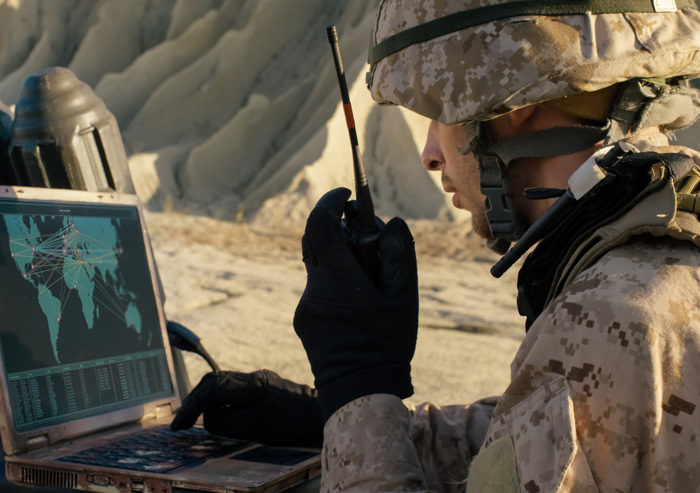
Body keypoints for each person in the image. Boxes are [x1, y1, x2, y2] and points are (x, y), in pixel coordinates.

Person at [174, 1, 700, 491]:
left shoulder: (615, 315)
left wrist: (356, 383)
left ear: (507, 99)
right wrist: (330, 416)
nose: (429, 153)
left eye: (439, 111)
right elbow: (525, 443)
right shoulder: (654, 260)